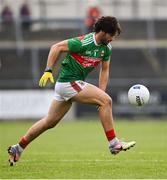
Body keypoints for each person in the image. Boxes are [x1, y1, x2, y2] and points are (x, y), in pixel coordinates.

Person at [8, 16, 136, 166]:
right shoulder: (83, 42)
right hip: (68, 82)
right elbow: (56, 47)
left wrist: (101, 92)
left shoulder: (106, 48)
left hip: (70, 86)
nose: (112, 39)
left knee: (49, 122)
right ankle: (114, 143)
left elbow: (105, 70)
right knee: (107, 101)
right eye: (112, 35)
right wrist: (48, 70)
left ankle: (18, 148)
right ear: (104, 31)